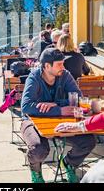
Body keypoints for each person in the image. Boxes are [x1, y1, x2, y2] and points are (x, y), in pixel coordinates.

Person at [20, 48, 96, 183]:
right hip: (31, 120)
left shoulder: (65, 75)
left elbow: (78, 98)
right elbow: (26, 107)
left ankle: (68, 164)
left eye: (63, 63)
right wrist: (59, 110)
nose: (63, 66)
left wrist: (55, 104)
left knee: (88, 141)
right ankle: (35, 170)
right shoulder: (34, 78)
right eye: (59, 64)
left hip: (59, 121)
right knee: (39, 149)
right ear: (47, 66)